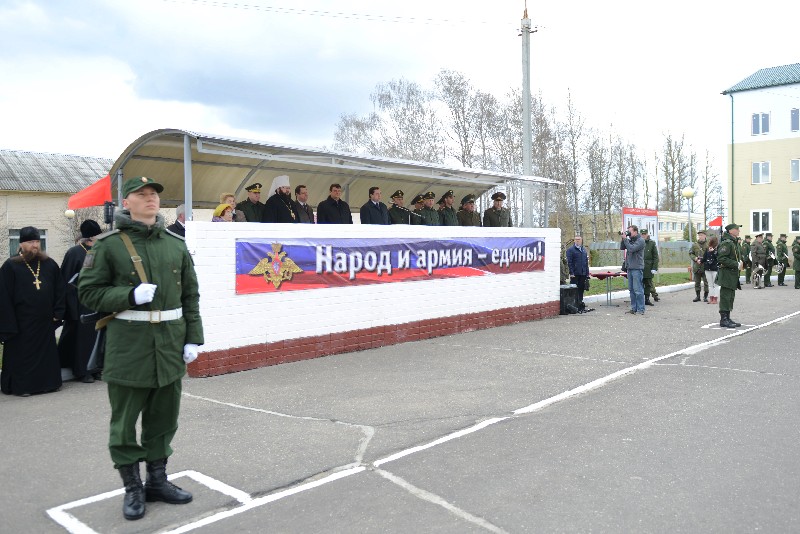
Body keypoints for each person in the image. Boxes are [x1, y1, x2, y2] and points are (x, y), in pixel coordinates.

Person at [78, 176, 204, 521]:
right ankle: (133, 487)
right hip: (129, 348)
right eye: (142, 194)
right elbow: (87, 293)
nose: (150, 199)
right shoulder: (108, 246)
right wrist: (128, 296)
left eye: (154, 194)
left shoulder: (175, 244)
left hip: (169, 346)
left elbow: (190, 296)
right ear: (127, 202)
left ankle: (158, 481)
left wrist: (194, 337)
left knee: (163, 420)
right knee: (124, 424)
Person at [0, 226, 66, 397]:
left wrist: (58, 312)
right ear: (21, 244)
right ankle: (24, 387)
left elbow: (60, 289)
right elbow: (3, 296)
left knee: (46, 356)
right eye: (31, 242)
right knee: (23, 356)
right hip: (21, 323)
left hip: (45, 321)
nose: (35, 245)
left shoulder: (49, 264)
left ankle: (49, 384)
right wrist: (8, 324)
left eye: (37, 241)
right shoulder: (10, 266)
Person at [58, 219, 102, 383]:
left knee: (97, 337)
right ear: (91, 237)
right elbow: (66, 280)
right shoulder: (74, 253)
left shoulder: (99, 250)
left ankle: (96, 368)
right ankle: (82, 371)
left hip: (97, 301)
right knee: (82, 339)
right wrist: (70, 307)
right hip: (80, 303)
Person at [717, 223, 742, 328]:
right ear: (731, 231)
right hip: (727, 274)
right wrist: (736, 264)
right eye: (736, 229)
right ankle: (724, 319)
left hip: (732, 274)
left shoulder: (734, 242)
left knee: (730, 297)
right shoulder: (727, 243)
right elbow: (721, 258)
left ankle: (727, 317)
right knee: (725, 297)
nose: (738, 231)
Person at [620, 225, 646, 315]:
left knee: (638, 290)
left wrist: (626, 239)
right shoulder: (630, 240)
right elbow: (622, 247)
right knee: (631, 290)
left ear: (635, 232)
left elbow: (631, 249)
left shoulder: (640, 241)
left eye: (630, 231)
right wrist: (623, 238)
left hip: (637, 268)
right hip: (630, 268)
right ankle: (634, 308)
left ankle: (640, 309)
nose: (629, 233)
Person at [566, 235, 590, 312]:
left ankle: (580, 303)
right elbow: (569, 262)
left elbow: (586, 262)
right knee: (574, 290)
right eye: (576, 239)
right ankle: (574, 304)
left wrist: (587, 273)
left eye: (579, 239)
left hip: (583, 273)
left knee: (581, 289)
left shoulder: (583, 250)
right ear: (574, 241)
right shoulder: (570, 250)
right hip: (575, 273)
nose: (577, 241)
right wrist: (571, 272)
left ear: (581, 240)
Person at [689, 230, 709, 302]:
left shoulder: (708, 244)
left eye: (702, 235)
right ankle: (698, 296)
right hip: (697, 266)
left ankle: (705, 296)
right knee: (697, 282)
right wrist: (695, 258)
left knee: (706, 282)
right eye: (699, 235)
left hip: (705, 266)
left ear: (705, 236)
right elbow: (691, 253)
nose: (700, 236)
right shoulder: (695, 245)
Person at [641, 228, 660, 305]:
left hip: (648, 267)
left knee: (648, 284)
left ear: (647, 234)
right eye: (642, 234)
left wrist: (654, 268)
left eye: (644, 234)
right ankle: (640, 299)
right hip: (639, 266)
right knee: (639, 284)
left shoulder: (651, 243)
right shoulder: (638, 242)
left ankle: (647, 299)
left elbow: (655, 257)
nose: (643, 236)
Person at [703, 235, 720, 305]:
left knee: (715, 285)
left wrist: (713, 252)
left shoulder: (718, 250)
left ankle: (715, 299)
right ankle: (711, 298)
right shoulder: (707, 249)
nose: (709, 242)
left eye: (710, 241)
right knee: (710, 285)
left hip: (715, 269)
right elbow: (704, 258)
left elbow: (719, 258)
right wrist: (699, 260)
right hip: (707, 269)